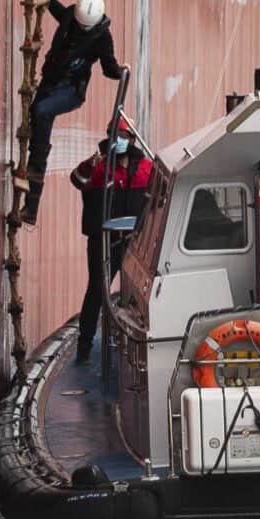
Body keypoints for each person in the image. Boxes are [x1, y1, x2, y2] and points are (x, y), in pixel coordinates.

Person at [18, 0, 123, 223]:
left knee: (41, 112)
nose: (82, 29)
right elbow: (58, 10)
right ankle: (31, 205)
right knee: (38, 121)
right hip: (52, 80)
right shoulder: (71, 16)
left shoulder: (102, 37)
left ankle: (35, 165)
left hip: (71, 90)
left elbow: (108, 66)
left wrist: (119, 71)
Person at [71, 120, 155, 364]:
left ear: (131, 139)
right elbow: (77, 179)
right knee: (97, 290)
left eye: (123, 135)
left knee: (139, 292)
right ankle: (84, 347)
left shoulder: (146, 168)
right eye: (114, 135)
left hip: (134, 242)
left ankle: (138, 345)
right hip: (103, 241)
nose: (118, 140)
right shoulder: (98, 168)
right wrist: (90, 165)